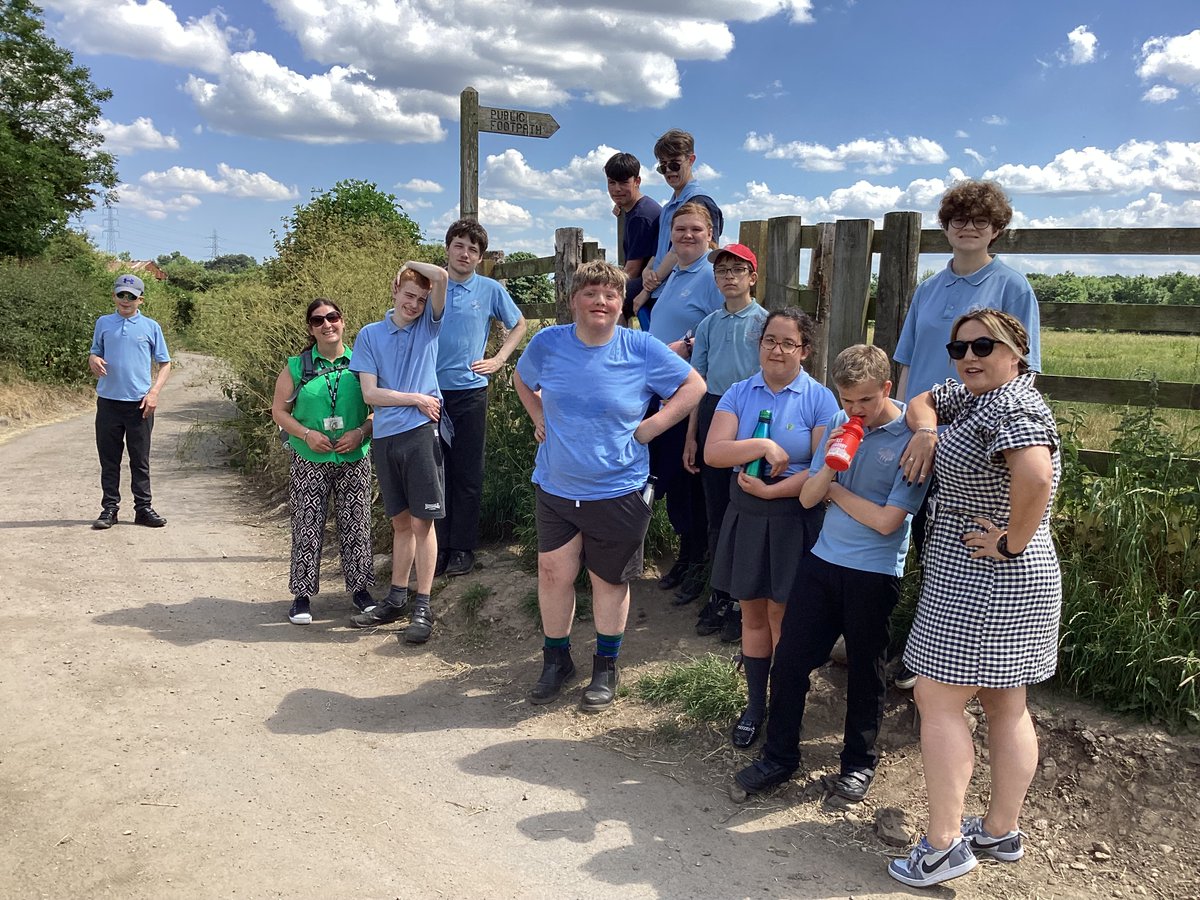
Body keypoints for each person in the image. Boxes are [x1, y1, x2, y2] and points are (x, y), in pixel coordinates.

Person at [887, 309, 1060, 888]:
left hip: (985, 575)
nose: (967, 357)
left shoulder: (1014, 406)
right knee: (1006, 704)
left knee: (938, 701)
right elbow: (922, 401)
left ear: (1018, 350)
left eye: (983, 346)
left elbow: (1035, 476)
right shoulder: (975, 396)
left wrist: (1011, 542)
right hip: (1001, 575)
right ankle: (999, 830)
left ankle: (941, 847)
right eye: (959, 348)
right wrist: (928, 430)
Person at [732, 345, 929, 804]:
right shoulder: (841, 426)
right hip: (823, 561)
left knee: (866, 670)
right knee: (792, 662)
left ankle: (858, 764)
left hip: (875, 571)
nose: (854, 409)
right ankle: (779, 758)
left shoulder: (912, 438)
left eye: (864, 400)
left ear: (885, 388)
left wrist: (835, 491)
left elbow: (887, 521)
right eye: (846, 400)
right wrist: (836, 458)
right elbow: (805, 498)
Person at [514, 260, 705, 710]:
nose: (601, 301)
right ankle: (556, 660)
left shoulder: (640, 348)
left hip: (617, 488)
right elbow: (523, 379)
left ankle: (606, 667)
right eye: (591, 293)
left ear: (621, 304)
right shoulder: (549, 343)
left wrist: (651, 428)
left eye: (610, 295)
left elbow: (694, 386)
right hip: (557, 484)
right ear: (574, 300)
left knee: (608, 582)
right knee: (553, 574)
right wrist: (538, 415)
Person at [891, 179, 1042, 690]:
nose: (968, 227)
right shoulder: (930, 288)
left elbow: (1025, 370)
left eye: (980, 220)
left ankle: (974, 660)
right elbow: (908, 361)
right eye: (958, 219)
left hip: (978, 440)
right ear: (946, 226)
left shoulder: (1012, 286)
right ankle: (913, 645)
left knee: (966, 540)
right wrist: (910, 428)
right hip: (926, 427)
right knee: (916, 537)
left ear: (996, 229)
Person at [703, 309, 836, 747]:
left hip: (793, 515)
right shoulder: (739, 393)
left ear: (806, 350)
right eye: (770, 340)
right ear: (759, 344)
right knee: (752, 611)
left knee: (784, 614)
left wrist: (772, 492)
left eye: (788, 343)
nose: (777, 350)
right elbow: (715, 453)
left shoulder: (820, 399)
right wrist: (761, 444)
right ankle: (755, 705)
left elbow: (821, 472)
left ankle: (785, 707)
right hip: (746, 514)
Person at [348, 262, 448, 644]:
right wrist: (416, 398)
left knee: (424, 524)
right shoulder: (371, 335)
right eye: (409, 295)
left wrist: (409, 265)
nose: (415, 304)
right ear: (395, 291)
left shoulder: (429, 326)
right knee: (401, 523)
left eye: (421, 300)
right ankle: (396, 597)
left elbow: (439, 276)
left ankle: (423, 605)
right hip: (386, 438)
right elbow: (370, 394)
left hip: (421, 434)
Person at [270, 299, 375, 625]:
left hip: (353, 455)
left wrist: (361, 432)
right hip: (310, 457)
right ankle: (301, 597)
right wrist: (306, 435)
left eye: (333, 317)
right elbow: (279, 412)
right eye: (318, 320)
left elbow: (379, 409)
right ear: (310, 328)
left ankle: (361, 592)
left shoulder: (363, 361)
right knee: (307, 525)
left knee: (357, 524)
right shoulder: (296, 367)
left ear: (343, 321)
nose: (327, 324)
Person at [685, 244, 769, 641]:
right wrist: (692, 437)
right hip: (714, 413)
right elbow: (695, 386)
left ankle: (745, 600)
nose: (730, 277)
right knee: (718, 511)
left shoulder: (765, 324)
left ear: (752, 277)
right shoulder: (709, 325)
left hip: (754, 417)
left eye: (738, 270)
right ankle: (719, 594)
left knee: (749, 507)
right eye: (722, 272)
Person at [435, 219, 527, 577]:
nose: (465, 253)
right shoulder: (432, 286)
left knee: (468, 472)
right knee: (436, 473)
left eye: (473, 249)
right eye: (459, 245)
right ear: (447, 248)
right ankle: (438, 547)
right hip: (429, 393)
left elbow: (518, 324)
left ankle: (462, 548)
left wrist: (500, 359)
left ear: (480, 257)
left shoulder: (488, 289)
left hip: (470, 391)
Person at [643, 203, 724, 605]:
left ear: (710, 234)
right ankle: (685, 554)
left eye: (695, 229)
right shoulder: (676, 273)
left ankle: (698, 562)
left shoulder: (711, 274)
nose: (687, 235)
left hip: (689, 392)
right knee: (674, 478)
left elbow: (719, 321)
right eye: (680, 229)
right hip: (662, 391)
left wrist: (688, 345)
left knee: (689, 478)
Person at [88, 274, 171, 530]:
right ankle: (109, 509)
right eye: (121, 295)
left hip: (139, 404)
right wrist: (92, 360)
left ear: (140, 300)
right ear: (114, 296)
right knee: (109, 459)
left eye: (131, 296)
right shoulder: (103, 323)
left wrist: (154, 392)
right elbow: (95, 352)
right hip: (109, 402)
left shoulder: (150, 327)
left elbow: (165, 363)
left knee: (140, 459)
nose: (126, 300)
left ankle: (143, 509)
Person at [635, 128, 724, 329]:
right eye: (663, 167)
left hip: (679, 292)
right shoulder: (669, 206)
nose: (669, 172)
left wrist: (649, 287)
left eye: (675, 164)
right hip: (664, 287)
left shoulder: (699, 201)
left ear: (691, 160)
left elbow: (683, 251)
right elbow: (661, 248)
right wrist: (647, 271)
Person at [603, 151, 661, 325]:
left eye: (623, 182)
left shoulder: (640, 216)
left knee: (606, 300)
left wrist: (603, 282)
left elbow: (632, 270)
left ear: (637, 181)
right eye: (611, 183)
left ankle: (613, 347)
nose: (616, 189)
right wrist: (620, 205)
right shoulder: (636, 207)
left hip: (653, 280)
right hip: (649, 277)